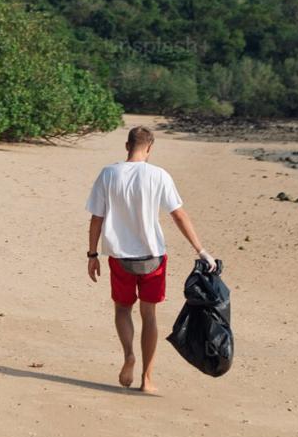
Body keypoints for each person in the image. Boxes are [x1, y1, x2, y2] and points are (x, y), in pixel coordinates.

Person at [86, 126, 216, 394]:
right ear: (150, 148)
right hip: (153, 258)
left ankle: (128, 356)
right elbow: (179, 215)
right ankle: (147, 378)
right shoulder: (159, 175)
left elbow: (96, 218)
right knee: (150, 315)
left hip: (120, 256)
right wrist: (201, 250)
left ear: (127, 146)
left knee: (122, 309)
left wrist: (92, 254)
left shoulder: (108, 174)